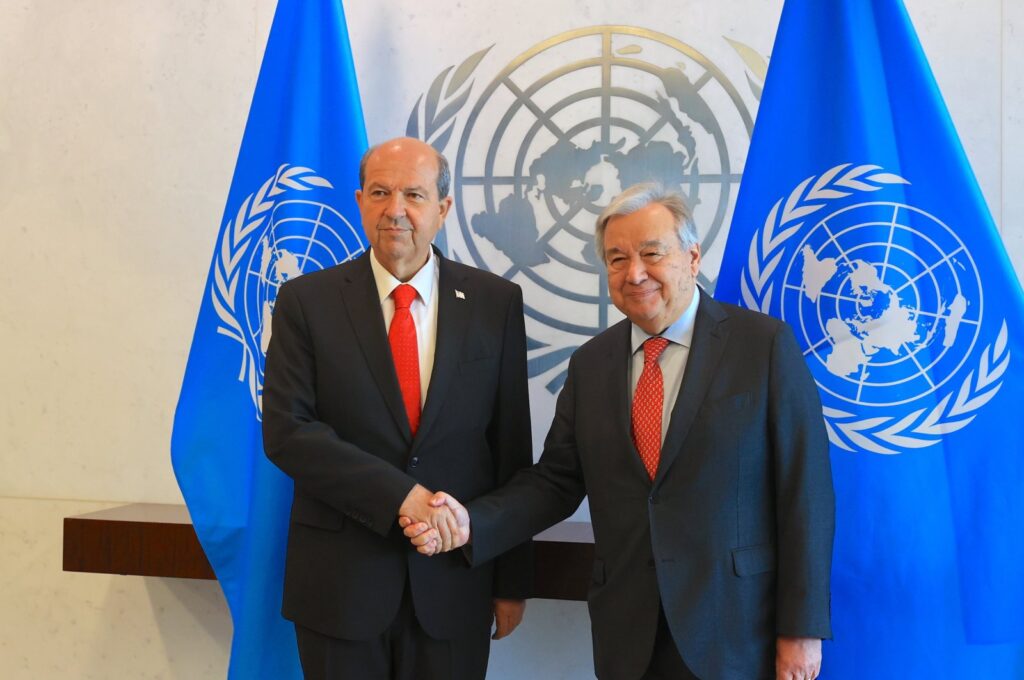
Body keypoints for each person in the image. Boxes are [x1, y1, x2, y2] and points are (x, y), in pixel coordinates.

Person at [404, 183, 835, 680]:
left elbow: (807, 496)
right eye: (616, 258)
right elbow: (556, 481)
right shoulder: (592, 364)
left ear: (692, 258)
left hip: (737, 630)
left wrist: (801, 631)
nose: (634, 273)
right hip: (629, 633)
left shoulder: (763, 347)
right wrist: (470, 522)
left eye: (652, 253)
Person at [262, 137, 533, 680]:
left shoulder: (494, 303)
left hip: (456, 584)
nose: (396, 210)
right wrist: (403, 498)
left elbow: (511, 451)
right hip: (340, 588)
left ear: (444, 208)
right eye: (381, 193)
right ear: (360, 201)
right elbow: (289, 432)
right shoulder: (305, 301)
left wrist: (511, 581)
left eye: (414, 193)